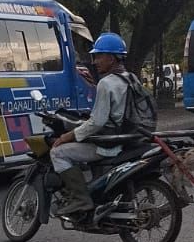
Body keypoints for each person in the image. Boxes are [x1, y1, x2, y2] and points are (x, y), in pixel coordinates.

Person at [50, 32, 134, 216]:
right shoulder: (130, 78)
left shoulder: (107, 83)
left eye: (98, 56)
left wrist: (67, 136)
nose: (95, 62)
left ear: (111, 58)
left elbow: (97, 122)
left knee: (57, 152)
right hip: (126, 139)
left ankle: (81, 199)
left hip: (108, 145)